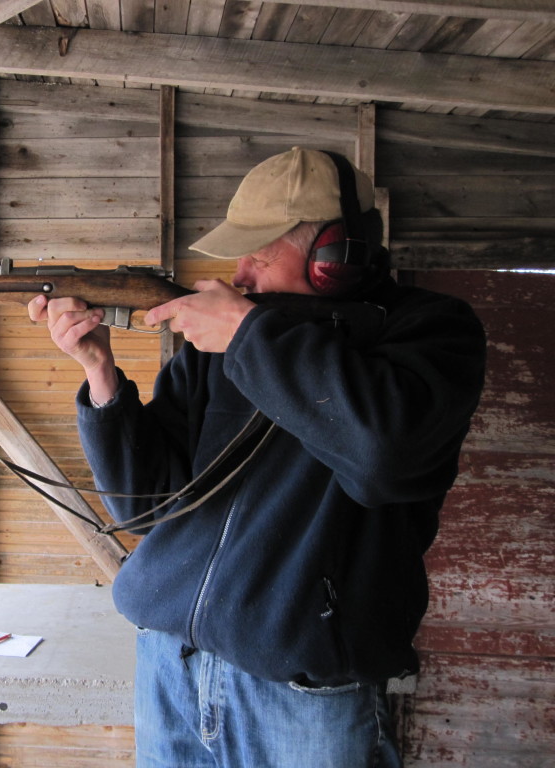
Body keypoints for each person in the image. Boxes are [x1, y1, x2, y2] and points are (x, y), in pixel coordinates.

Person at [27, 147, 487, 767]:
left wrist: (247, 335)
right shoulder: (220, 342)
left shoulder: (433, 330)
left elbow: (384, 456)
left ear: (333, 257)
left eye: (258, 251)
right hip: (171, 665)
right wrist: (100, 371)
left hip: (302, 696)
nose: (237, 273)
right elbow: (147, 505)